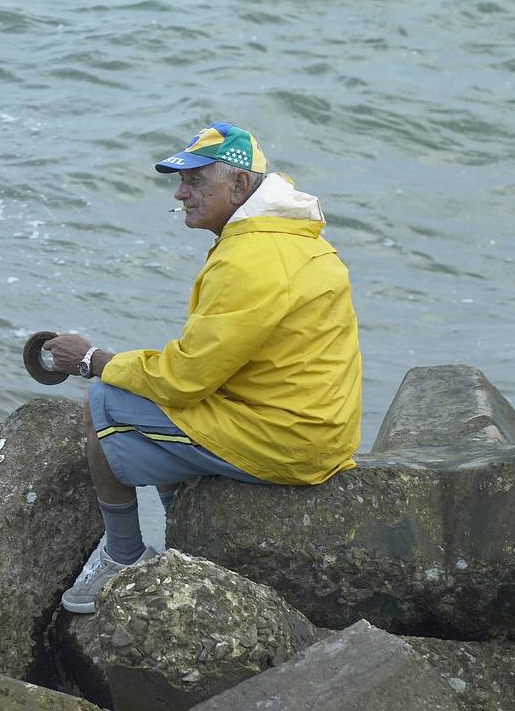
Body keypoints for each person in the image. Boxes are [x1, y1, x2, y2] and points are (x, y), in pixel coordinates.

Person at [42, 122, 361, 615]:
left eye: (194, 181)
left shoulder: (251, 259)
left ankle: (122, 556)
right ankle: (184, 539)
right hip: (319, 429)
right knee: (157, 400)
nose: (180, 192)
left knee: (106, 401)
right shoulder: (295, 239)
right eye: (180, 180)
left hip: (289, 441)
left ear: (239, 186)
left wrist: (92, 361)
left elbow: (185, 379)